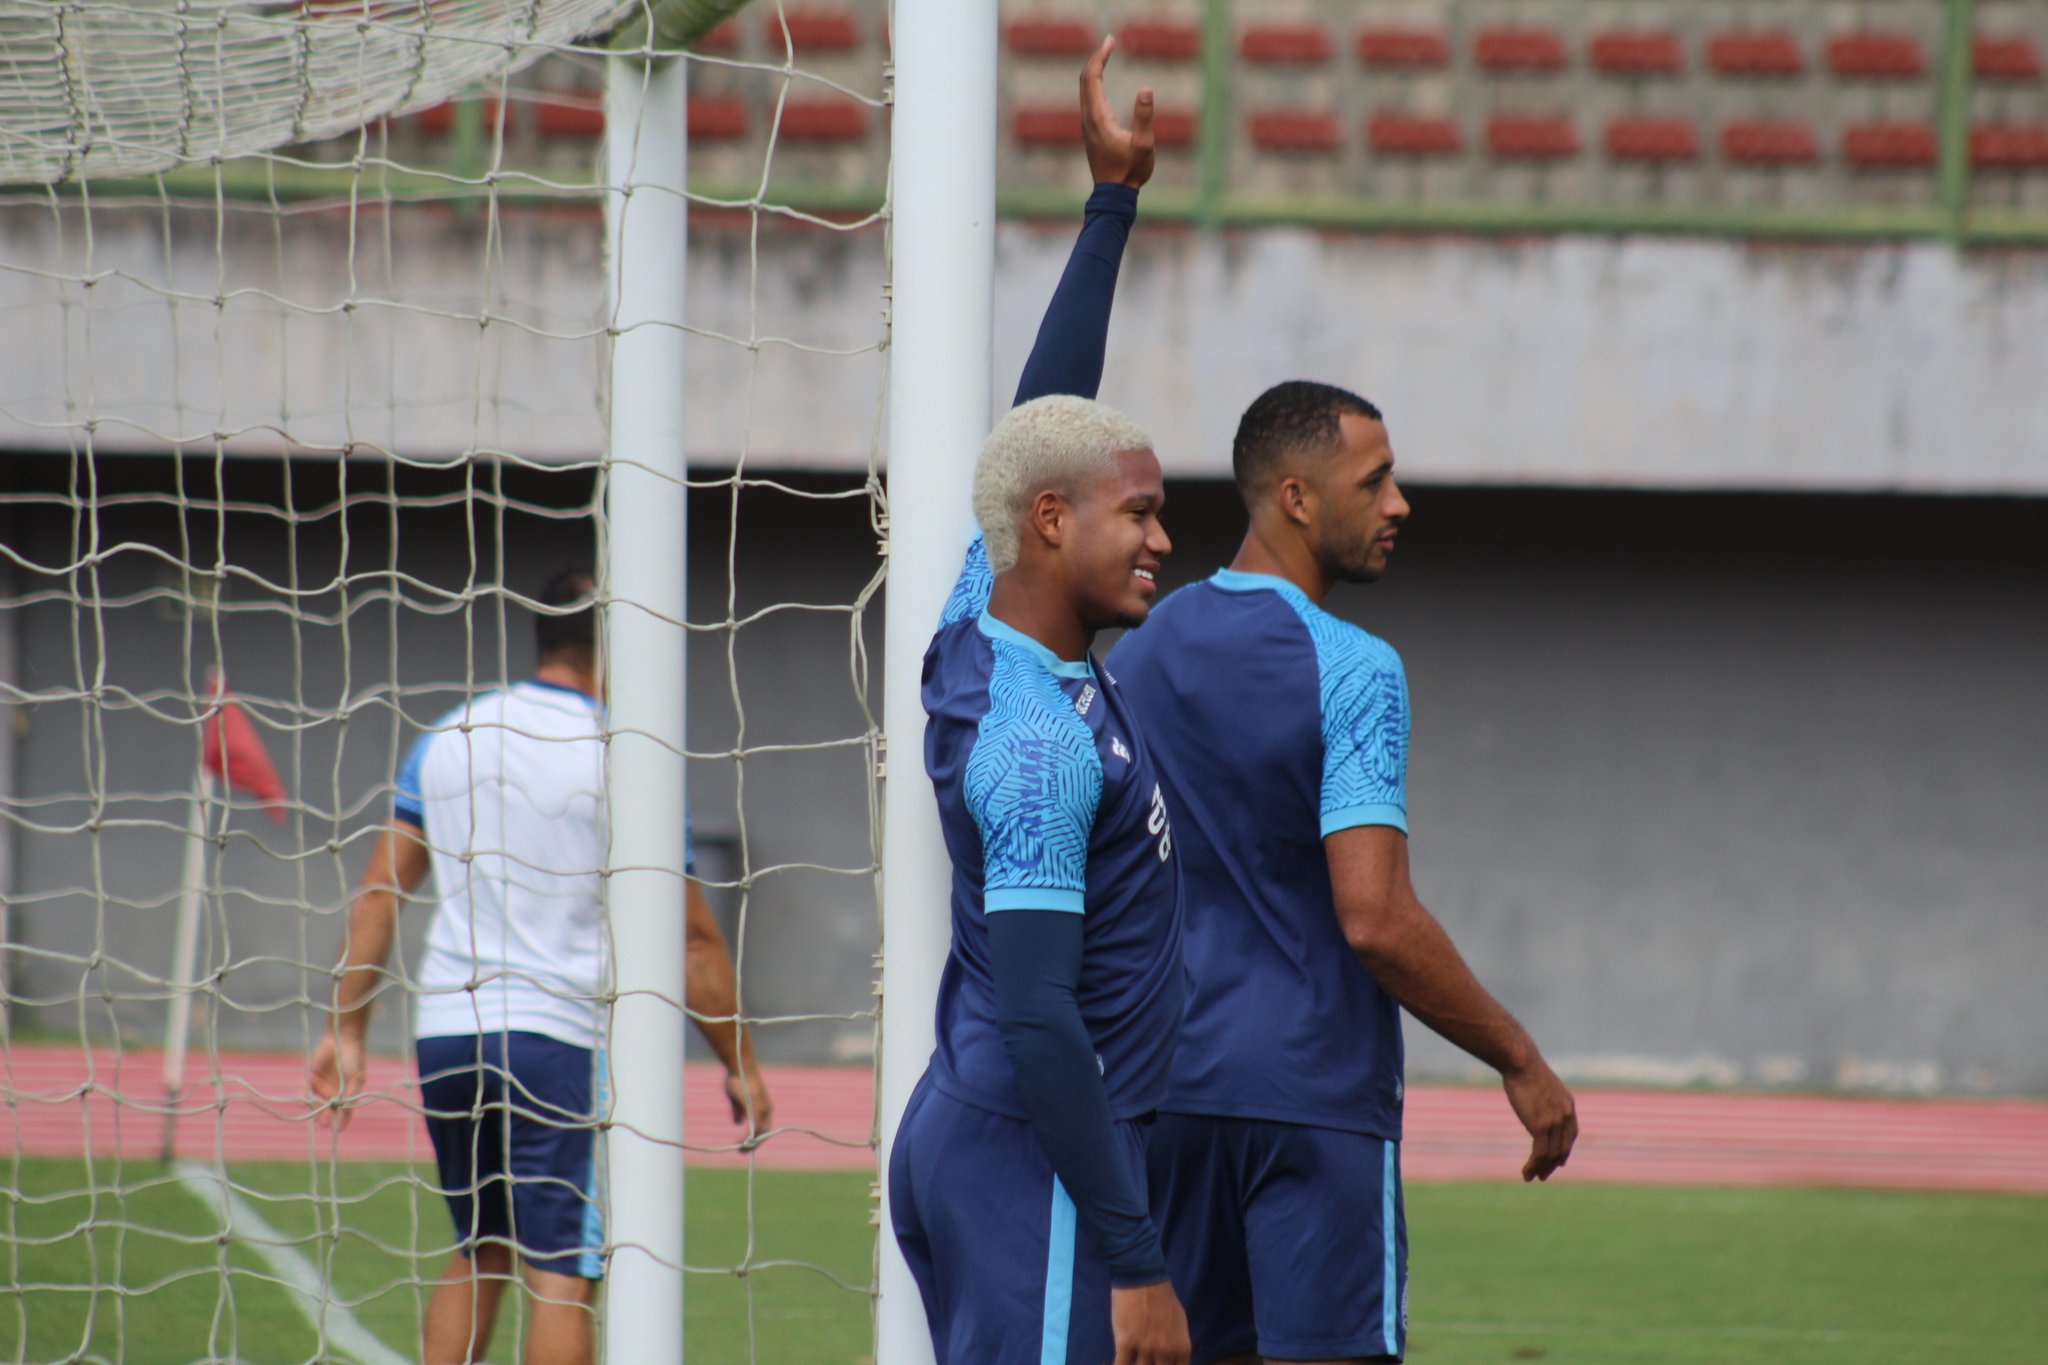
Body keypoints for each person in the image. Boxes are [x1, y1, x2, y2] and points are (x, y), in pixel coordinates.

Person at [1106, 382, 1580, 1363]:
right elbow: (1374, 917)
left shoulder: (1141, 654)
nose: (1397, 503)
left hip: (1164, 1096)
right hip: (1308, 1100)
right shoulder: (1354, 668)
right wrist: (1520, 1060)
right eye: (1374, 481)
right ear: (1294, 497)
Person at [886, 38, 1191, 1365]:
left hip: (994, 1143)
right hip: (1041, 1176)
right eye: (1142, 514)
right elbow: (1038, 1012)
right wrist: (1134, 1261)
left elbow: (1037, 426)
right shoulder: (1031, 747)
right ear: (1052, 524)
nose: (1164, 540)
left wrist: (1108, 206)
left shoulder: (981, 610)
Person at [306, 565, 772, 1365]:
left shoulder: (449, 735)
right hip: (555, 1038)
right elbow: (691, 938)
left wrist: (345, 1030)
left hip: (450, 1033)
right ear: (618, 647)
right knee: (561, 1270)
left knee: (479, 1242)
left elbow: (380, 889)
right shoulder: (626, 757)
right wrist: (742, 1062)